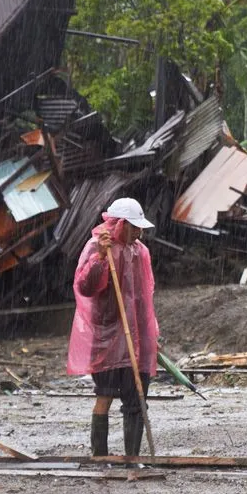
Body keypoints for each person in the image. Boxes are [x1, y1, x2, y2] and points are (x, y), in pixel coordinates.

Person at [67, 197, 158, 460]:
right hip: (106, 337)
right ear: (117, 224)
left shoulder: (140, 251)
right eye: (133, 226)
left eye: (139, 227)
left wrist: (152, 332)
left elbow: (145, 297)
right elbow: (85, 287)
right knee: (105, 395)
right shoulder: (97, 246)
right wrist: (100, 259)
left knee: (136, 399)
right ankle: (101, 456)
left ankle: (133, 458)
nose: (138, 232)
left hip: (137, 338)